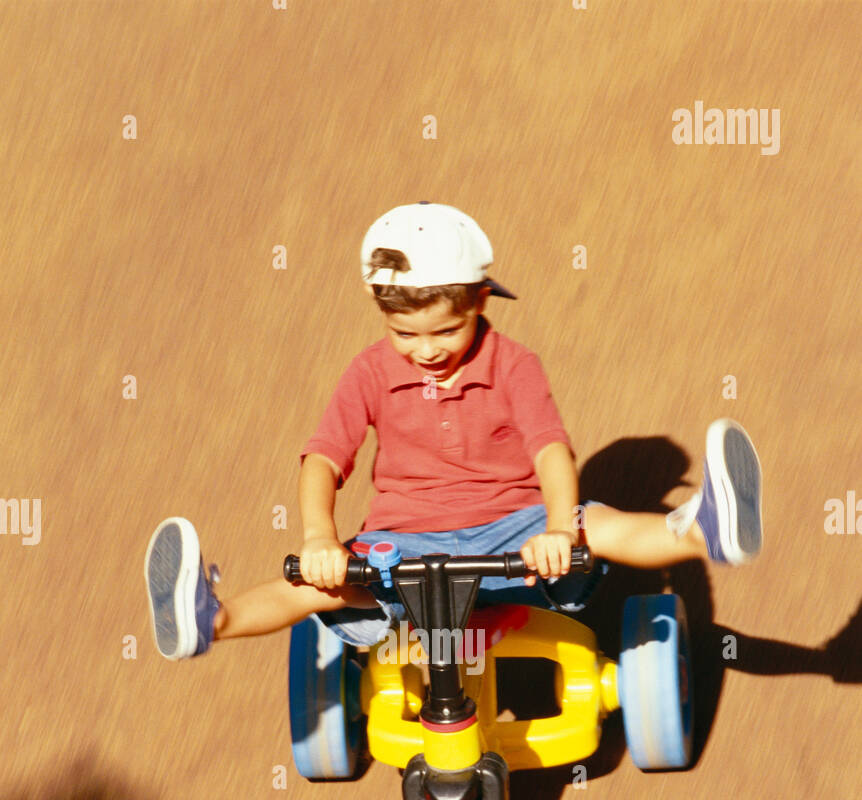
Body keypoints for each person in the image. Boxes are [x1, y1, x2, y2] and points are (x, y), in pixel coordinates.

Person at [145, 201, 763, 660]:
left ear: (480, 301)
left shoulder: (513, 364)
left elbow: (550, 450)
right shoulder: (369, 371)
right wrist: (319, 538)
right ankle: (210, 621)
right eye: (405, 334)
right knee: (314, 586)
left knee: (594, 526)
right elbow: (323, 458)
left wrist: (553, 527)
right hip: (405, 545)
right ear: (382, 316)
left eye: (446, 330)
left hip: (515, 535)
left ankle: (705, 527)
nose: (426, 350)